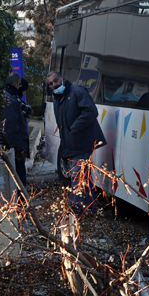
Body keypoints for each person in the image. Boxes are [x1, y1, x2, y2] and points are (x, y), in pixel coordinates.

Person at [46, 71, 107, 213]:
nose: (54, 84)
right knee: (83, 175)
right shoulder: (58, 99)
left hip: (83, 141)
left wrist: (74, 128)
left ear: (63, 79)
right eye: (51, 83)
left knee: (78, 175)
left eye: (56, 81)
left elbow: (91, 112)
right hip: (73, 142)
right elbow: (62, 128)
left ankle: (76, 206)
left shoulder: (77, 92)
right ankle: (90, 207)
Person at [0, 73, 30, 190]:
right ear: (14, 84)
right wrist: (19, 149)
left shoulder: (7, 97)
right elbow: (10, 128)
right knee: (19, 178)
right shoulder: (10, 101)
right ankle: (21, 203)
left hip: (9, 147)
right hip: (13, 149)